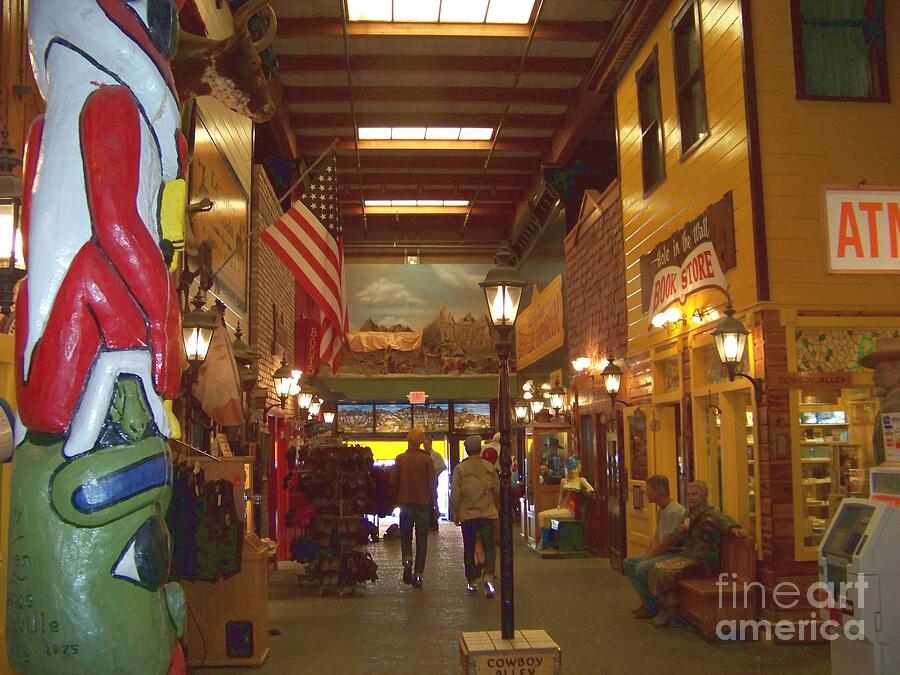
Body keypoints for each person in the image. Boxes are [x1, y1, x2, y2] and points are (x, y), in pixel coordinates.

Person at [646, 480, 746, 627]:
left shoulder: (709, 513)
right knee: (658, 567)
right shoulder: (688, 514)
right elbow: (676, 539)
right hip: (690, 556)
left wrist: (734, 528)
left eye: (695, 494)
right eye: (689, 494)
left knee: (666, 572)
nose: (691, 498)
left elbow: (723, 520)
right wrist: (679, 532)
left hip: (705, 561)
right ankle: (669, 608)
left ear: (703, 496)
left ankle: (670, 610)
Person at [623, 474, 685, 619]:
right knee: (629, 563)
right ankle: (647, 602)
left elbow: (666, 543)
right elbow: (657, 538)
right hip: (664, 551)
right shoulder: (661, 509)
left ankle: (652, 606)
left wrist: (647, 560)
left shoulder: (674, 511)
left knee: (641, 568)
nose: (646, 493)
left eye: (649, 490)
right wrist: (647, 555)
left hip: (674, 553)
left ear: (658, 491)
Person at [451, 435, 500, 598]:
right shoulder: (489, 468)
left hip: (468, 515)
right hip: (487, 513)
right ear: (480, 449)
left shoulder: (460, 469)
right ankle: (487, 575)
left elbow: (456, 493)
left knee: (469, 547)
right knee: (489, 547)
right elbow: (497, 491)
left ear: (466, 450)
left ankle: (472, 580)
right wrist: (496, 507)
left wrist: (455, 511)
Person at [391, 427, 436, 588]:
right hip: (423, 504)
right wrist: (434, 505)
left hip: (405, 504)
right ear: (421, 441)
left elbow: (393, 481)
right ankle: (418, 575)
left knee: (405, 535)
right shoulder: (427, 460)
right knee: (422, 540)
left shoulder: (400, 459)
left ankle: (407, 559)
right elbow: (432, 485)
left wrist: (394, 500)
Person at [536, 457, 594, 549]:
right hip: (563, 508)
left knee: (544, 516)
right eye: (571, 469)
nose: (573, 471)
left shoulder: (581, 480)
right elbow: (560, 496)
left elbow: (590, 489)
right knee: (542, 516)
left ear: (578, 468)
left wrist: (586, 493)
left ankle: (544, 542)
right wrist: (558, 506)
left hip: (572, 510)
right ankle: (546, 541)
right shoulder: (564, 481)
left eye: (575, 468)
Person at [859, 336, 900, 466]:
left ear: (898, 371)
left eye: (879, 370)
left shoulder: (894, 405)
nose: (873, 377)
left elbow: (893, 463)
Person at [424, 436, 447, 528]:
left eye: (427, 444)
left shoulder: (436, 455)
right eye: (424, 444)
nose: (426, 446)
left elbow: (441, 467)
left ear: (431, 444)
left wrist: (435, 475)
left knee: (433, 498)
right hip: (423, 482)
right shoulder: (422, 455)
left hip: (432, 480)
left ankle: (433, 519)